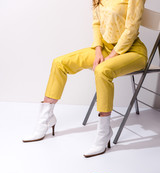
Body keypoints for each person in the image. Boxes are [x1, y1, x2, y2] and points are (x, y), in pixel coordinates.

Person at [22, 0, 148, 158]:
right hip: (104, 48)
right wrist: (98, 51)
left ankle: (104, 132)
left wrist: (111, 56)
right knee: (59, 63)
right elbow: (96, 24)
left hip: (132, 52)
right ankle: (46, 119)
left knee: (102, 70)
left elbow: (132, 29)